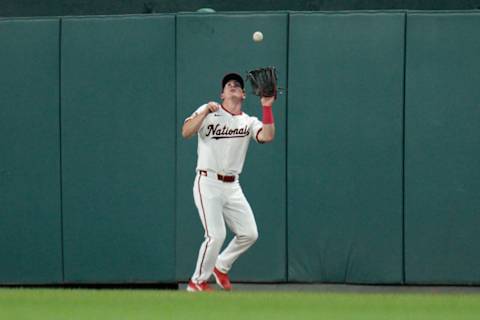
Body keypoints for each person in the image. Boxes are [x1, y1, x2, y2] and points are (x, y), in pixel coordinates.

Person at [182, 72, 276, 292]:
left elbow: (267, 136)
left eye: (237, 85)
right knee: (216, 235)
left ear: (243, 94)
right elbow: (186, 131)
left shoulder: (248, 121)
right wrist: (205, 111)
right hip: (208, 181)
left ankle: (221, 266)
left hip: (233, 185)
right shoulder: (208, 111)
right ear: (222, 94)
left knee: (249, 233)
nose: (232, 86)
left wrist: (267, 107)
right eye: (228, 85)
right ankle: (196, 282)